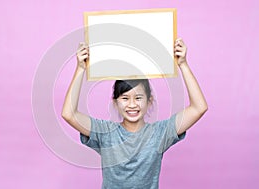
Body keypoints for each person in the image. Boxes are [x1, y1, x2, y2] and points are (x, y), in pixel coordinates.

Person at [61, 38, 208, 189]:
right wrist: (80, 68)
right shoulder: (105, 133)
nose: (132, 104)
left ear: (149, 101)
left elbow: (199, 107)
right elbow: (69, 114)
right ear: (115, 102)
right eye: (125, 98)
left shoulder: (160, 133)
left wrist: (183, 64)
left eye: (138, 98)